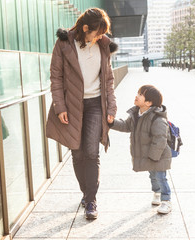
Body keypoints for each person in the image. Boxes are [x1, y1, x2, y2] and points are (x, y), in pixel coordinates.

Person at [46, 8, 118, 219]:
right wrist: (60, 107)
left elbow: (109, 79)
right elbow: (56, 77)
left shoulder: (103, 45)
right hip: (72, 106)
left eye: (102, 33)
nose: (99, 37)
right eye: (96, 33)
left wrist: (111, 107)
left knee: (91, 152)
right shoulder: (64, 43)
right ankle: (86, 194)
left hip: (96, 104)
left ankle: (91, 201)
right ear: (85, 28)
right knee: (77, 153)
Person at [108, 85, 172, 214]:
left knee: (161, 177)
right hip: (149, 154)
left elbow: (160, 139)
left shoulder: (157, 118)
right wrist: (111, 123)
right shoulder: (136, 114)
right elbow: (126, 126)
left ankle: (166, 200)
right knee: (153, 176)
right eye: (137, 93)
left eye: (140, 95)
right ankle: (157, 192)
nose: (136, 96)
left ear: (148, 103)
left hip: (159, 155)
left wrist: (154, 157)